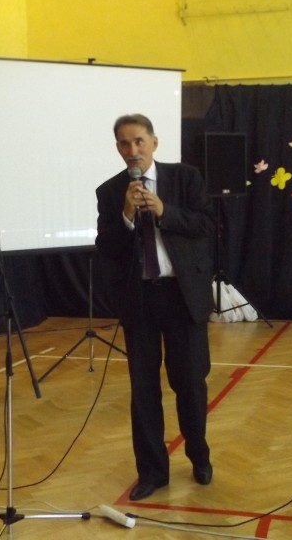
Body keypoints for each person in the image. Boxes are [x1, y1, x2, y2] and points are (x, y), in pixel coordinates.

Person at [95, 113, 216, 501]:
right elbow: (107, 248)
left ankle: (199, 456)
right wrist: (127, 216)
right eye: (124, 143)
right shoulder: (110, 191)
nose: (133, 150)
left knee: (190, 383)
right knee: (144, 390)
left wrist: (165, 211)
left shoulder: (185, 178)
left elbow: (207, 225)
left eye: (139, 141)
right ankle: (151, 472)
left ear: (154, 142)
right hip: (140, 299)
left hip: (182, 296)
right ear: (118, 149)